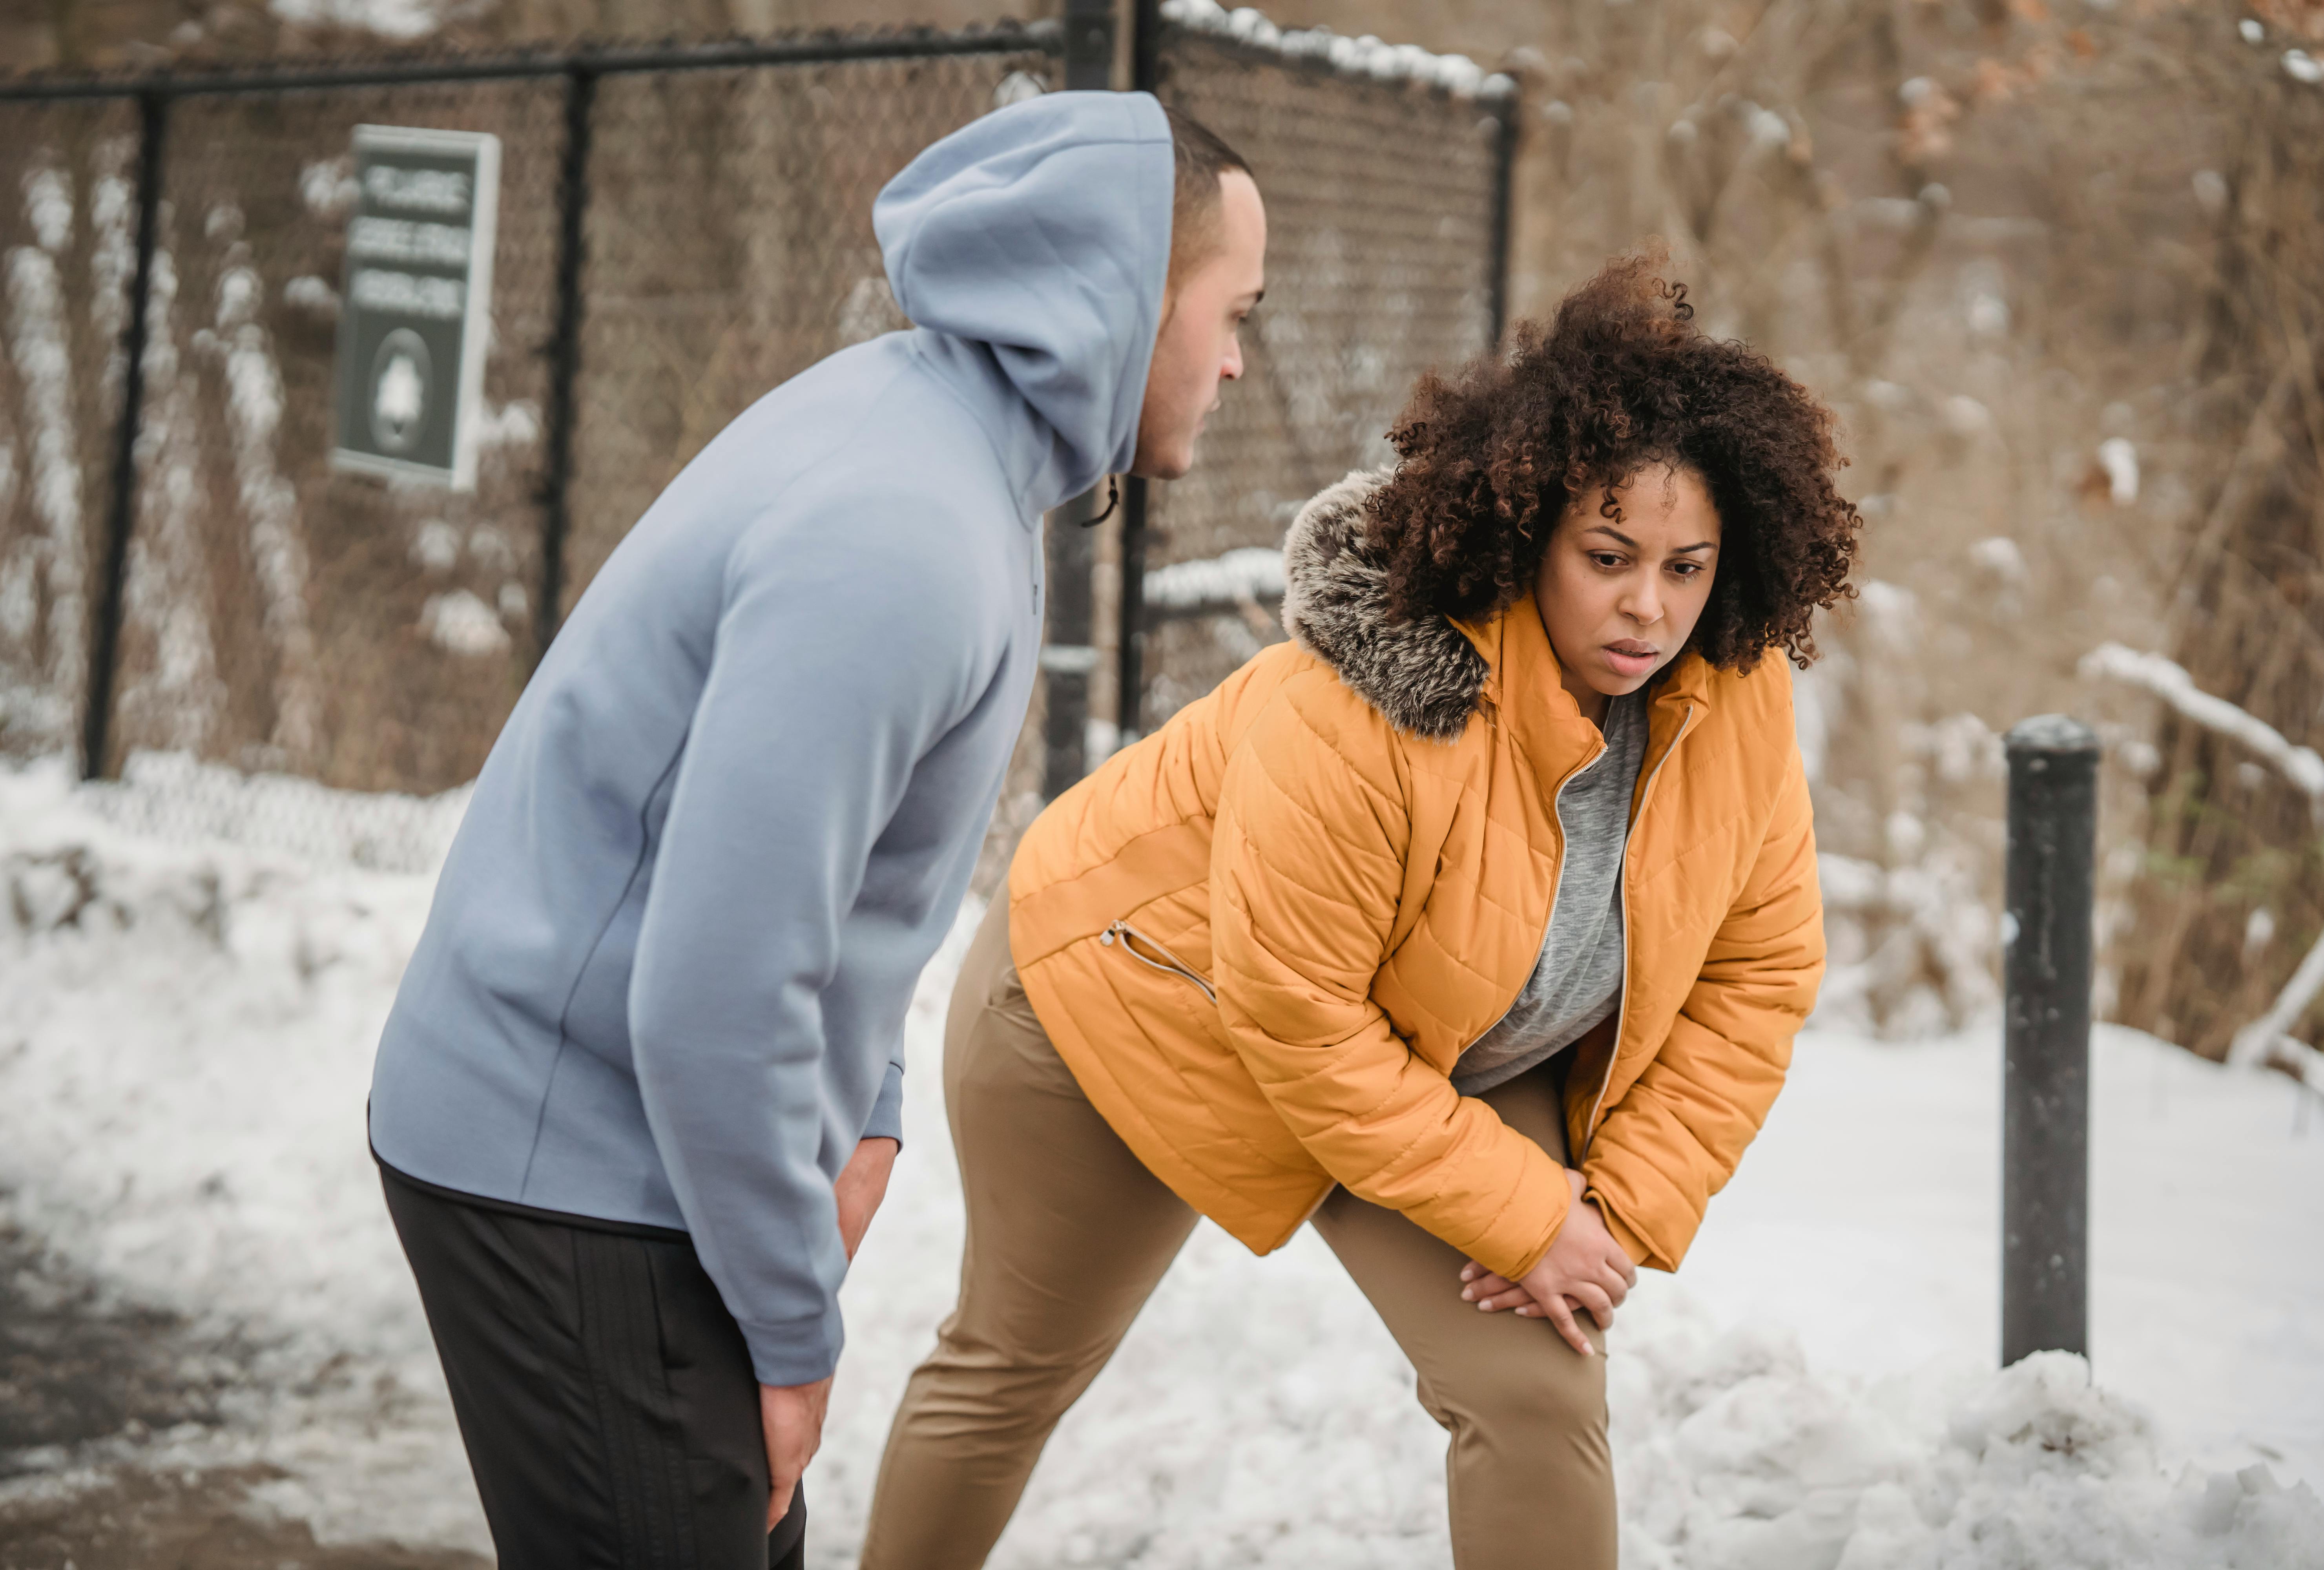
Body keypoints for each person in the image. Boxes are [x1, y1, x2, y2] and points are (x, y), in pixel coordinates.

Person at [366, 93, 1265, 1568]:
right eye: (1231, 310)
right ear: (1122, 297)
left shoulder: (940, 441)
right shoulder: (904, 533)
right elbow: (714, 988)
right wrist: (793, 1337)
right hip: (574, 1165)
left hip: (633, 1154)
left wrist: (870, 1101)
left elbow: (840, 880)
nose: (1235, 358)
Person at [860, 254, 1861, 1570]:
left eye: (1687, 566)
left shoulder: (1735, 695)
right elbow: (1298, 1017)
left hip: (1432, 1043)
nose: (1648, 606)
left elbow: (1759, 972)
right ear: (1528, 533)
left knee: (1534, 1392)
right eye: (1608, 556)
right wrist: (1521, 1208)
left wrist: (1610, 1208)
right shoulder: (1372, 701)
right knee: (1013, 1369)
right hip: (1123, 1000)